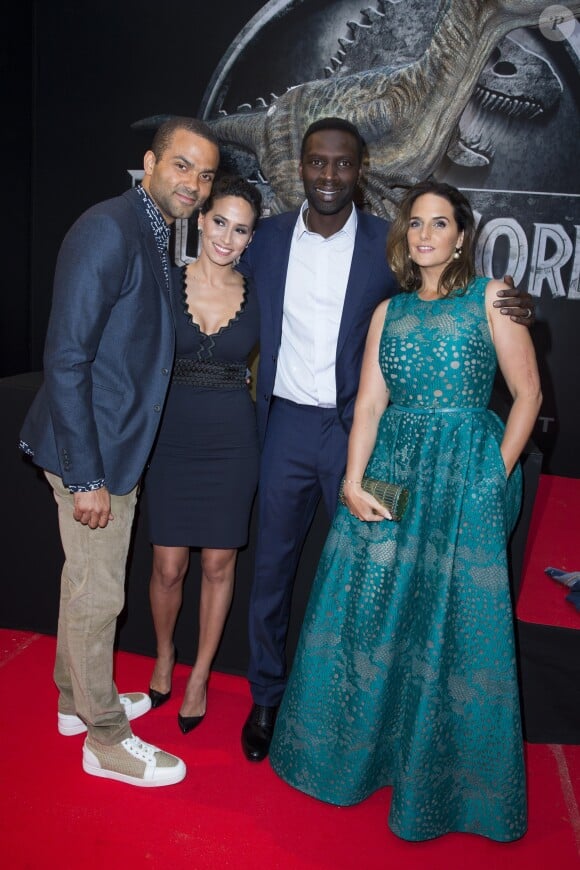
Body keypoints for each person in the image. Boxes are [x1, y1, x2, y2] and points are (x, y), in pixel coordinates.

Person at [239, 117, 536, 762]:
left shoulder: (386, 244)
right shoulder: (264, 239)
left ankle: (370, 716)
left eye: (341, 164)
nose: (327, 175)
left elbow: (449, 304)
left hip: (365, 433)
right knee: (271, 569)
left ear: (360, 169)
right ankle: (266, 696)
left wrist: (519, 309)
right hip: (286, 423)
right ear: (301, 165)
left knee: (372, 582)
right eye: (316, 162)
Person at [19, 117, 220, 786]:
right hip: (90, 453)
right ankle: (104, 740)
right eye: (183, 166)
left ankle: (75, 702)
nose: (194, 182)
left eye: (205, 173)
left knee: (84, 583)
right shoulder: (109, 228)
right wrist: (86, 476)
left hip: (108, 447)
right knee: (100, 593)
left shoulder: (155, 232)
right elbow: (67, 357)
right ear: (150, 162)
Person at [143, 175, 261, 733]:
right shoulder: (164, 282)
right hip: (171, 437)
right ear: (201, 220)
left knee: (219, 564)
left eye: (241, 230)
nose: (227, 237)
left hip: (233, 443)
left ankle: (199, 675)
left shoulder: (261, 292)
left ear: (250, 238)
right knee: (169, 567)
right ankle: (166, 654)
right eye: (220, 222)